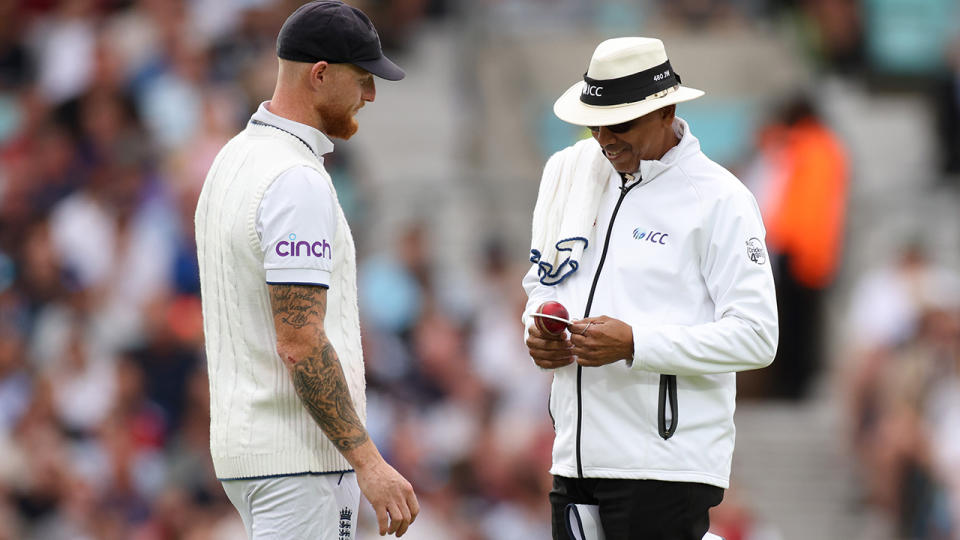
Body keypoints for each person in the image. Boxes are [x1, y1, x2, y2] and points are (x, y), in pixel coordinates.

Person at [522, 37, 779, 540]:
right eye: (594, 122)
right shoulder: (572, 176)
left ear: (667, 111)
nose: (603, 138)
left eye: (620, 124)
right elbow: (541, 282)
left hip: (664, 466)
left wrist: (636, 343)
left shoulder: (721, 199)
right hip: (574, 459)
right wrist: (536, 328)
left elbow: (757, 336)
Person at [194, 2, 418, 538]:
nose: (369, 95)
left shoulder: (232, 159)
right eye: (363, 78)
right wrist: (367, 460)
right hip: (300, 461)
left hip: (250, 453)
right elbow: (300, 340)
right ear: (320, 74)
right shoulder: (295, 179)